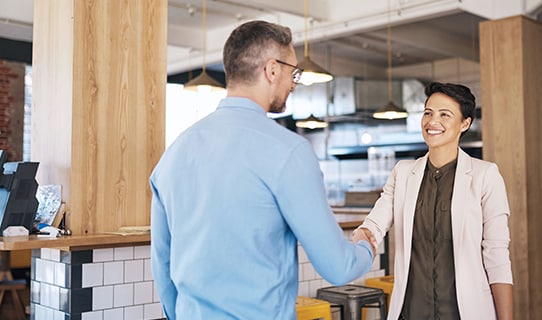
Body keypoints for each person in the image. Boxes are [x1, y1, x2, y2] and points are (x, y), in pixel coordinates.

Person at [150, 20, 374, 320]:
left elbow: (162, 267)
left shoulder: (173, 154)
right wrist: (366, 246)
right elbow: (338, 266)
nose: (294, 83)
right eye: (293, 72)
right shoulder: (289, 151)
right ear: (271, 70)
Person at [353, 82, 513, 320]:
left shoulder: (485, 176)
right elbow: (376, 222)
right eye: (428, 113)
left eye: (444, 114)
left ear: (465, 124)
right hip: (412, 312)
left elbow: (497, 255)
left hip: (466, 313)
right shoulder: (403, 173)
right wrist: (365, 232)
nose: (432, 121)